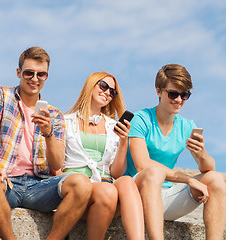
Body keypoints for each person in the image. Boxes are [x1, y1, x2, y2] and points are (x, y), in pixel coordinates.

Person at [0, 46, 92, 240]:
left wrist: (48, 134)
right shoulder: (0, 94)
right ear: (18, 73)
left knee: (83, 185)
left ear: (47, 76)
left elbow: (56, 164)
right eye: (29, 73)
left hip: (39, 186)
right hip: (7, 181)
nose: (35, 79)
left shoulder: (54, 115)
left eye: (41, 74)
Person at [125, 63, 226, 239]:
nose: (179, 100)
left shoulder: (187, 126)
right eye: (173, 93)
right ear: (158, 91)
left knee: (216, 179)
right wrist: (188, 179)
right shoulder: (141, 119)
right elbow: (143, 164)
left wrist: (201, 153)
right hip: (137, 195)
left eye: (184, 95)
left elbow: (210, 167)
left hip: (165, 197)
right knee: (153, 173)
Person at [62, 71, 144, 239]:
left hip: (106, 192)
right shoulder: (65, 121)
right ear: (91, 85)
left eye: (112, 92)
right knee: (108, 190)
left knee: (127, 181)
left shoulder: (113, 126)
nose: (107, 93)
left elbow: (116, 173)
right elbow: (56, 162)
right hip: (77, 190)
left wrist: (123, 142)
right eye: (104, 86)